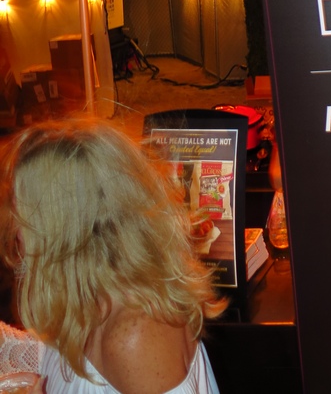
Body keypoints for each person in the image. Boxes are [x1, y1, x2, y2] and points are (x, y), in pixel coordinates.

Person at [0, 119, 225, 394]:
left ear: (64, 232)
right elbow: (62, 365)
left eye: (21, 213)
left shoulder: (137, 334)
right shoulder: (83, 294)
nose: (15, 230)